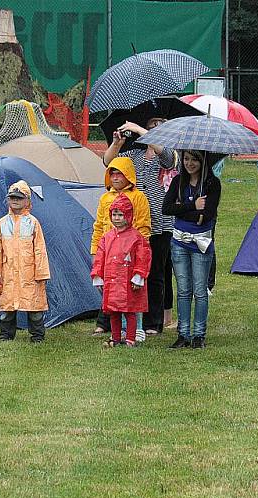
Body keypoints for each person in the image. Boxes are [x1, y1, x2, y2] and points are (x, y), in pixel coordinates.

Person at [104, 118, 179, 335]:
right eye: (151, 125)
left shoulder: (170, 154)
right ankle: (129, 317)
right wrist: (116, 143)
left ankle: (153, 322)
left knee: (156, 271)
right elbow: (109, 162)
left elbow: (167, 159)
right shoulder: (134, 155)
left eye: (158, 127)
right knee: (132, 271)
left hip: (160, 223)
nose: (153, 130)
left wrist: (139, 129)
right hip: (134, 224)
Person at [163, 150, 221, 349]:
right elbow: (167, 208)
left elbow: (207, 215)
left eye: (194, 159)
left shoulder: (212, 184)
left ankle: (198, 335)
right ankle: (183, 334)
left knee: (200, 290)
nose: (189, 163)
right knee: (183, 290)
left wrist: (184, 210)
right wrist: (191, 205)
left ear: (203, 160)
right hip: (179, 241)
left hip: (201, 243)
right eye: (186, 159)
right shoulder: (178, 181)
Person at [90, 156, 151, 339]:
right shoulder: (105, 198)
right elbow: (99, 225)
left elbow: (143, 226)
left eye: (120, 174)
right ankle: (117, 332)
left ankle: (135, 329)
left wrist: (138, 251)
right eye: (112, 174)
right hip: (109, 255)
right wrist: (95, 250)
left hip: (129, 256)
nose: (115, 178)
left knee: (133, 294)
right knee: (113, 293)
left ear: (129, 176)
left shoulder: (138, 197)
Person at [0, 180, 50, 342]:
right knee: (7, 307)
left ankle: (37, 336)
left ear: (27, 200)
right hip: (8, 273)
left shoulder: (33, 223)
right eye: (12, 197)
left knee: (34, 306)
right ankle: (6, 335)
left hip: (30, 273)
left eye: (19, 198)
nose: (15, 200)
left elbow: (40, 250)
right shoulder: (2, 223)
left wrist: (41, 273)